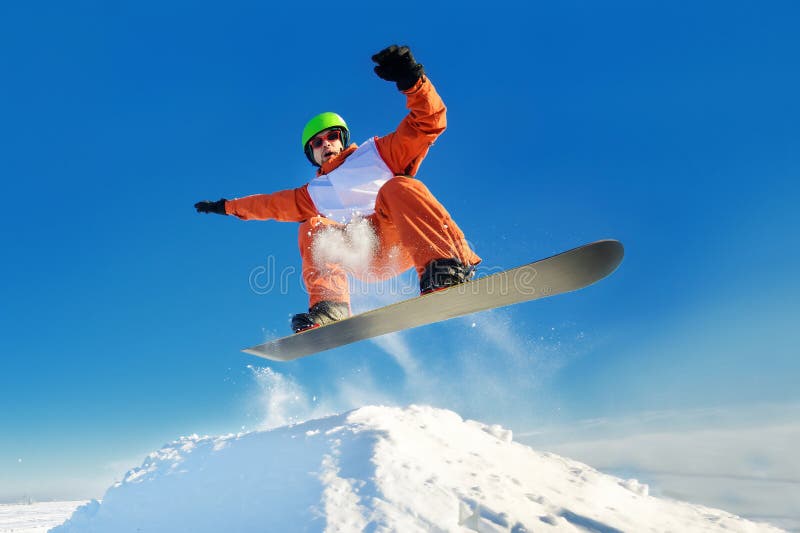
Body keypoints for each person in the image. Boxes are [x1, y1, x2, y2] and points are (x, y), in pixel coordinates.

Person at [195, 45, 481, 333]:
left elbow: (427, 123)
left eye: (331, 137)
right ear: (312, 154)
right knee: (312, 226)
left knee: (398, 187)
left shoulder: (378, 154)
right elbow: (267, 204)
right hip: (366, 257)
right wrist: (225, 206)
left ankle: (444, 269)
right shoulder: (312, 194)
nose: (326, 145)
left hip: (405, 239)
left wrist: (412, 81)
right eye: (317, 144)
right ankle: (331, 307)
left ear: (342, 139)